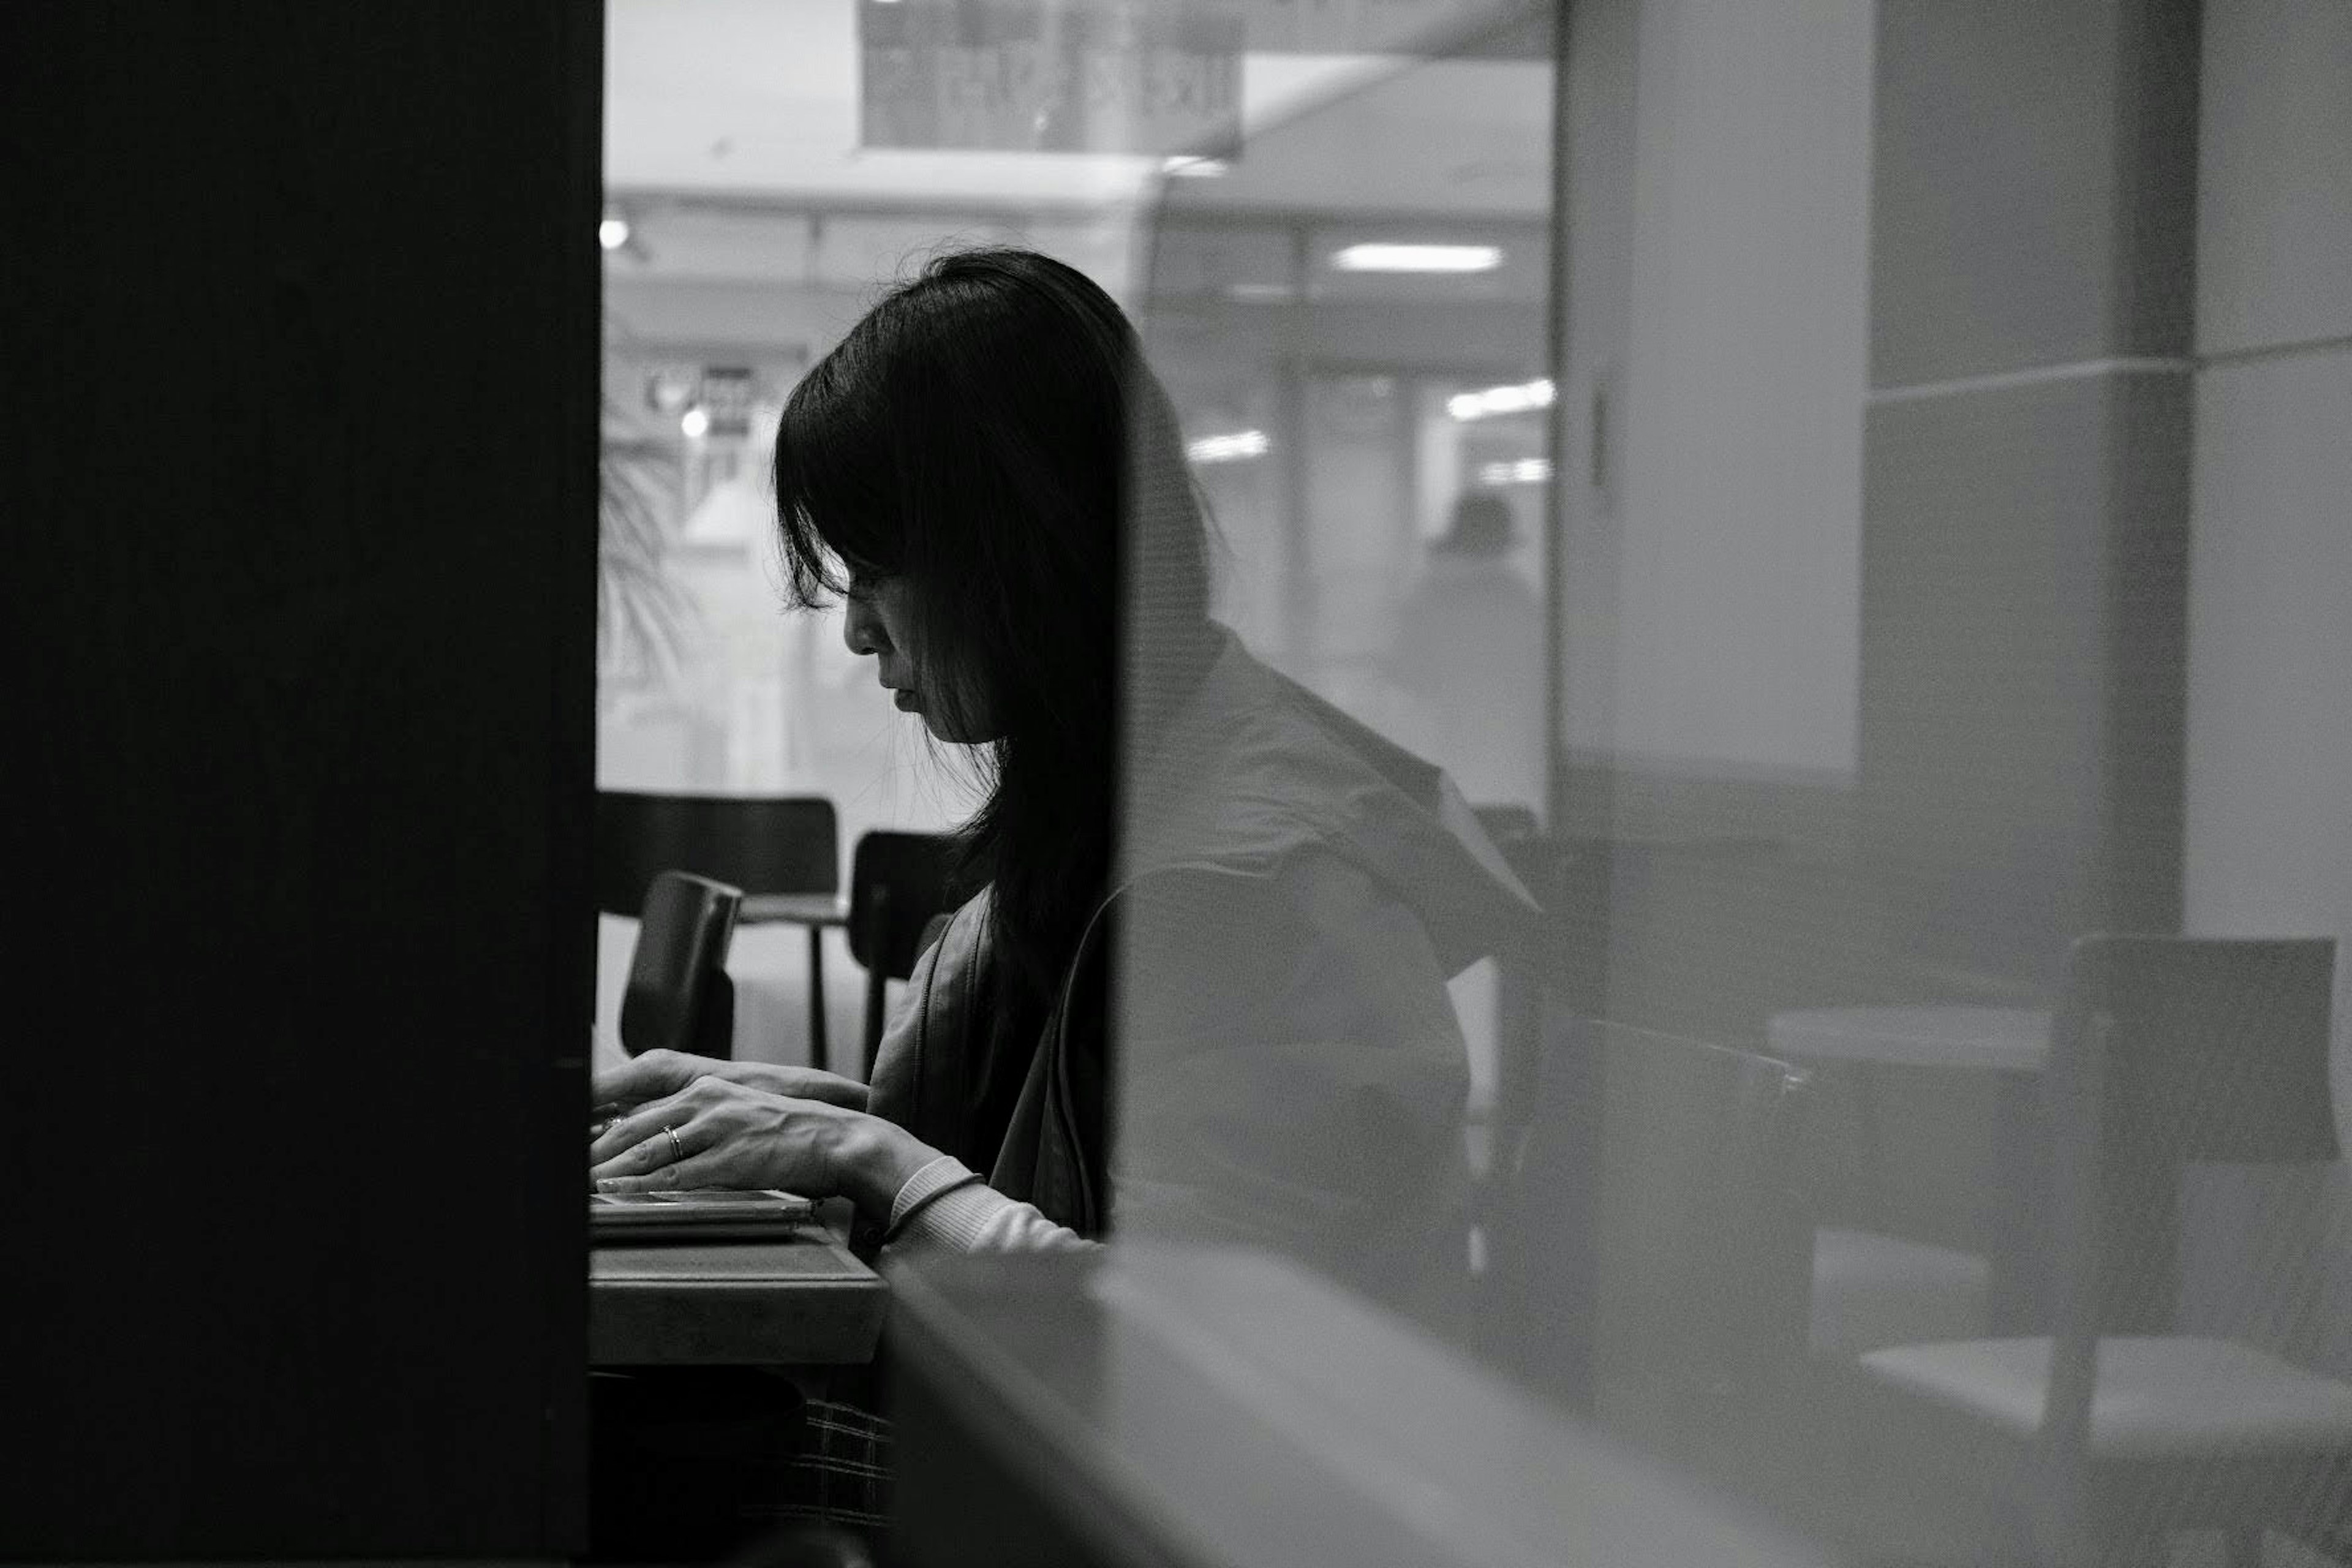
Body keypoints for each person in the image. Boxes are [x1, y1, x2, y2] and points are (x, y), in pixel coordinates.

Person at [589, 248, 1536, 1322]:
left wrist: (863, 1151)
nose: (857, 630)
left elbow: (1182, 1337)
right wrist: (812, 1114)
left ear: (1017, 556)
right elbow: (1076, 1182)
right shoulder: (1137, 791)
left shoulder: (1260, 889)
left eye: (881, 571)